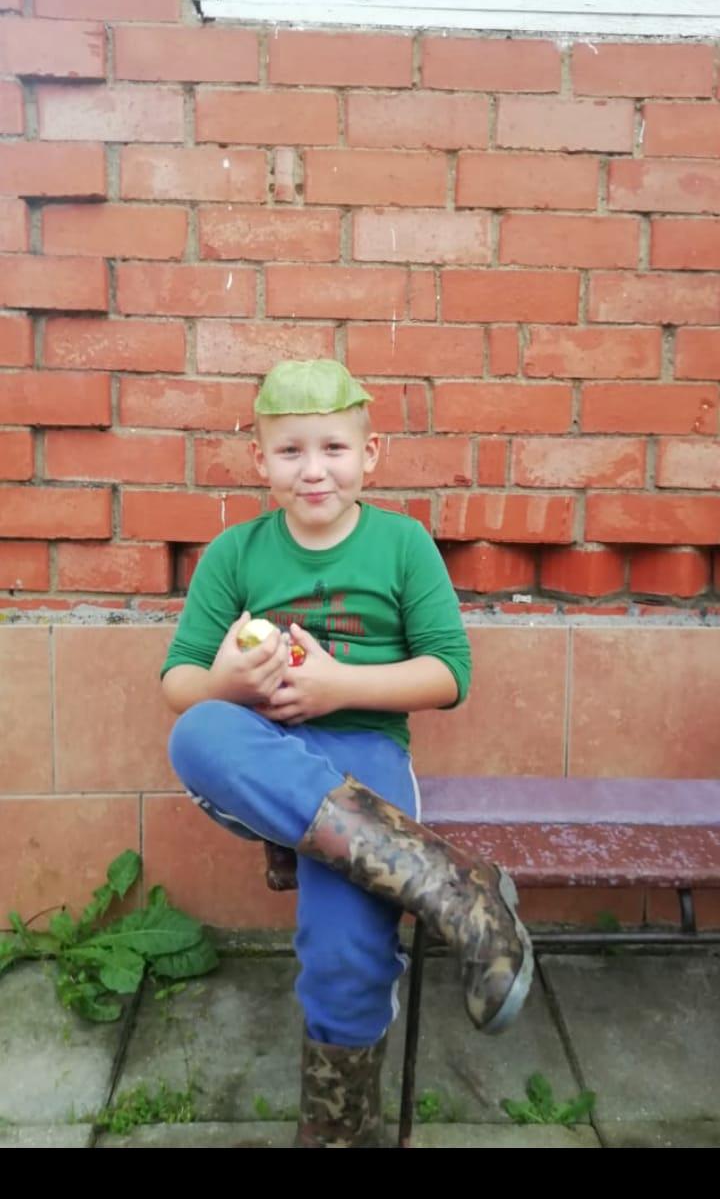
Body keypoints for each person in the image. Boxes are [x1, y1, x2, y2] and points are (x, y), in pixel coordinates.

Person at [161, 359, 532, 1148]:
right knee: (196, 730)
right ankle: (452, 886)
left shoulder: (401, 544)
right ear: (260, 460)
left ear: (370, 454)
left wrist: (338, 687)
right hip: (268, 761)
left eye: (333, 447)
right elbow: (180, 682)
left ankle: (339, 1131)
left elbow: (450, 674)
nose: (314, 470)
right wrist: (228, 682)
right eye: (290, 451)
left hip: (368, 761)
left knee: (345, 949)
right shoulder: (236, 553)